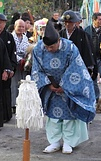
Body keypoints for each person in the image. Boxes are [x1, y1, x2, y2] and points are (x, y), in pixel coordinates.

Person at [31, 21, 96, 154]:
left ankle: (68, 142)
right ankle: (54, 141)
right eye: (47, 47)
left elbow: (76, 68)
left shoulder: (70, 48)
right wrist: (48, 84)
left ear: (59, 41)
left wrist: (64, 86)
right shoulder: (39, 48)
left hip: (69, 88)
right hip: (49, 87)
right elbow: (36, 69)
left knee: (68, 116)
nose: (49, 49)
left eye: (52, 47)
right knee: (53, 115)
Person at [0, 13, 17, 122]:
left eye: (0, 23)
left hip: (5, 68)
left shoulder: (9, 37)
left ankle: (5, 115)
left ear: (5, 23)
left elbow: (12, 53)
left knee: (5, 92)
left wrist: (10, 68)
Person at [59, 10, 95, 75]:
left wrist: (88, 66)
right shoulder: (60, 34)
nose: (67, 24)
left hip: (78, 65)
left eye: (70, 22)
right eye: (66, 22)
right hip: (63, 66)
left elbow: (86, 50)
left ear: (74, 22)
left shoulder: (82, 34)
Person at [85, 12, 101, 102]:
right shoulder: (87, 30)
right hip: (91, 59)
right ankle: (96, 98)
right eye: (99, 19)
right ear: (94, 20)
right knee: (93, 79)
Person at [10, 19, 29, 113]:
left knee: (23, 84)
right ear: (15, 27)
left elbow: (28, 50)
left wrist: (27, 60)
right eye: (19, 26)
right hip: (14, 63)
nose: (21, 28)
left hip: (24, 64)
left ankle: (22, 104)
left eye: (23, 27)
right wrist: (18, 59)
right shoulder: (11, 37)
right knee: (14, 84)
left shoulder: (25, 37)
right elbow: (10, 51)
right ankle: (13, 104)